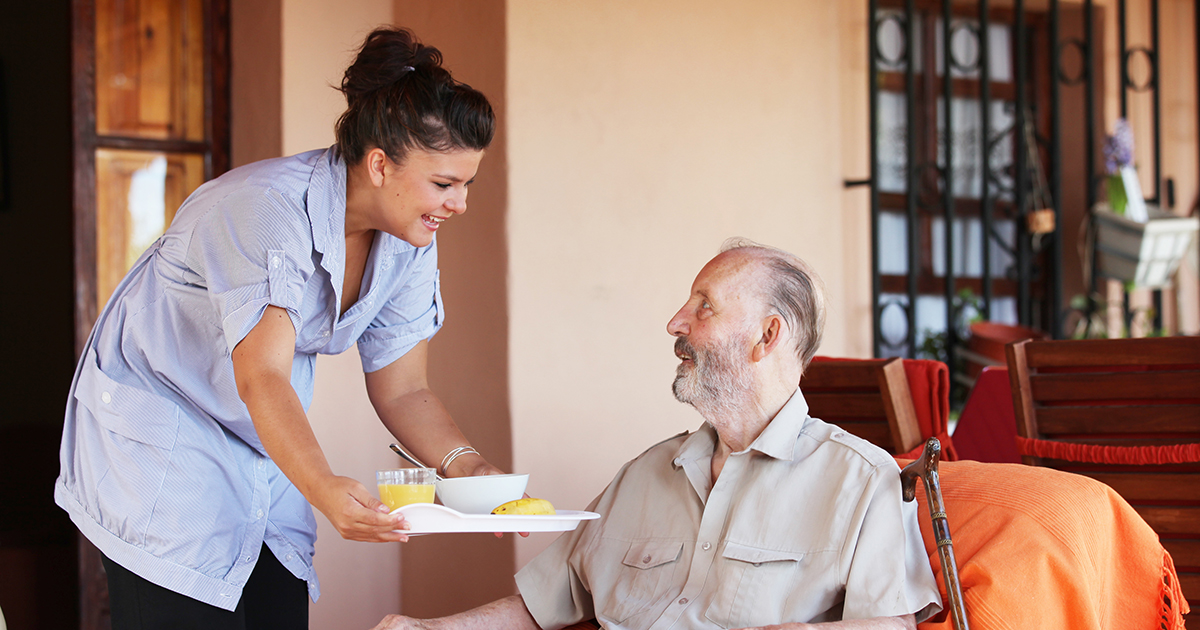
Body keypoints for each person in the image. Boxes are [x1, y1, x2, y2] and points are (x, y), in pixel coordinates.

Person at [55, 27, 506, 629]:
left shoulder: (409, 239)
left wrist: (468, 468)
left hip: (260, 439)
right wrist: (322, 487)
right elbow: (262, 376)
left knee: (276, 608)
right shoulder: (264, 211)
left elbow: (403, 389)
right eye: (444, 184)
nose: (459, 205)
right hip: (166, 439)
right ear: (379, 165)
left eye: (466, 185)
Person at [372, 240, 942, 630]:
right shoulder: (644, 475)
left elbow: (888, 625)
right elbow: (540, 605)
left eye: (704, 307)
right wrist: (424, 626)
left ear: (767, 336)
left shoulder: (862, 481)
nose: (676, 322)